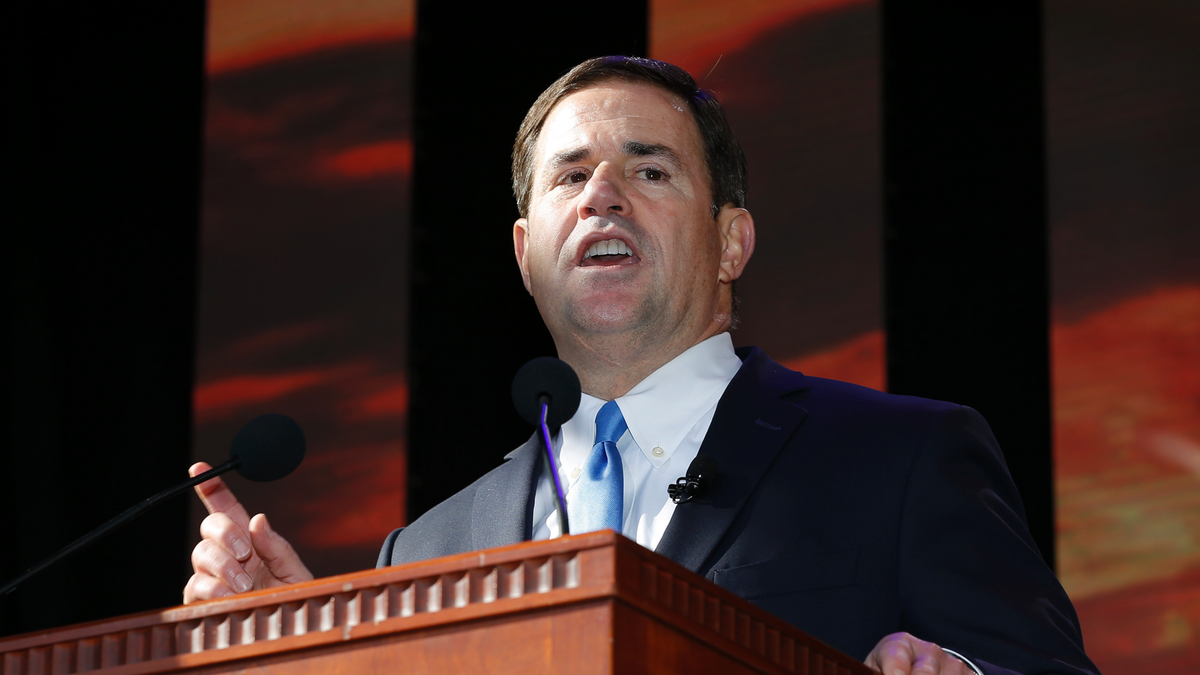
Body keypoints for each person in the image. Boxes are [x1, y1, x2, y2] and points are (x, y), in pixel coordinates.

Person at [184, 57, 1099, 675]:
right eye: (569, 176)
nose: (603, 196)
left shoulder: (903, 457)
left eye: (650, 170)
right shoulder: (423, 551)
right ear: (524, 251)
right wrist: (308, 646)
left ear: (732, 240)